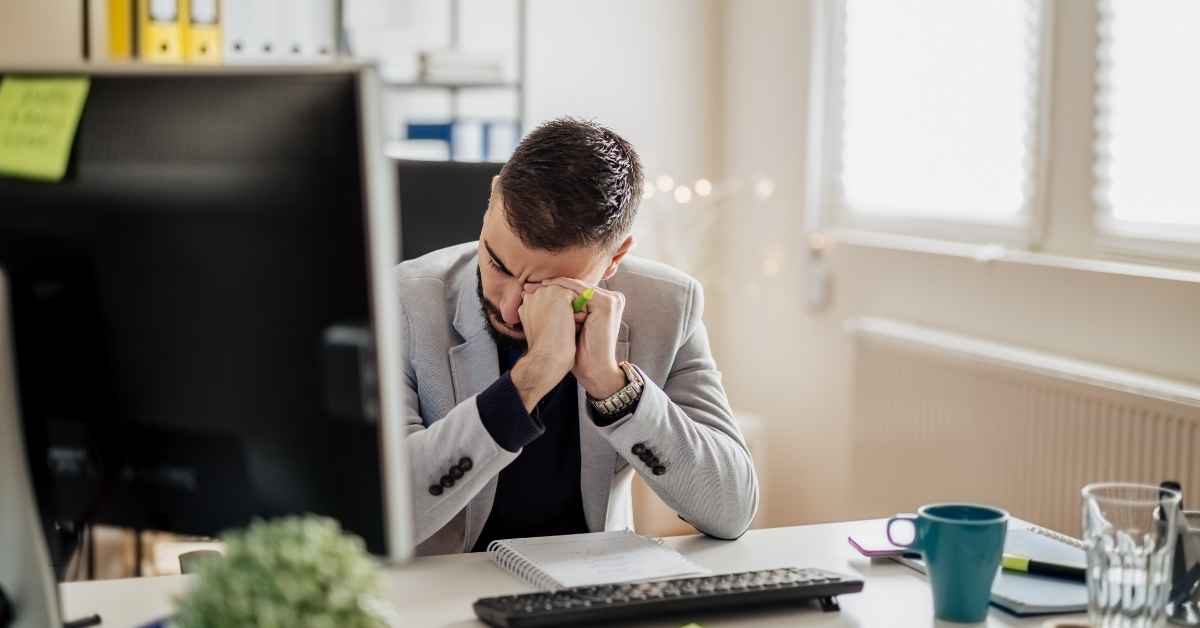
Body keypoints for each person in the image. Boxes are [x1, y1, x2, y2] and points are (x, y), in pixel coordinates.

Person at [396, 117, 758, 556]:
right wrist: (530, 378)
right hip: (442, 594)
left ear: (614, 258)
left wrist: (614, 387)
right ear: (491, 199)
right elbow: (388, 509)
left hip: (591, 589)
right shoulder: (401, 303)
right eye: (498, 264)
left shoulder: (668, 306)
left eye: (545, 287)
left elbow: (732, 510)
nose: (511, 307)